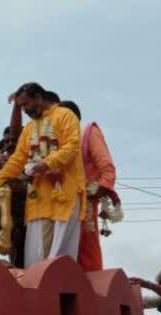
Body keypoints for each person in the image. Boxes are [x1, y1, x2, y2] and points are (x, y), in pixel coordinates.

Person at [0, 82, 86, 267]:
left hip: (64, 194)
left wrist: (47, 163)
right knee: (37, 257)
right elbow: (18, 158)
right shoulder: (29, 128)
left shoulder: (65, 116)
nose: (24, 110)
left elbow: (72, 146)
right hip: (39, 198)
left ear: (38, 98)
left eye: (25, 104)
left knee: (58, 256)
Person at [58, 99, 120, 271]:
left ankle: (93, 291)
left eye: (59, 115)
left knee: (86, 253)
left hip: (84, 204)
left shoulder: (88, 132)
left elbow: (107, 170)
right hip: (57, 205)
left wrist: (91, 196)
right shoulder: (54, 142)